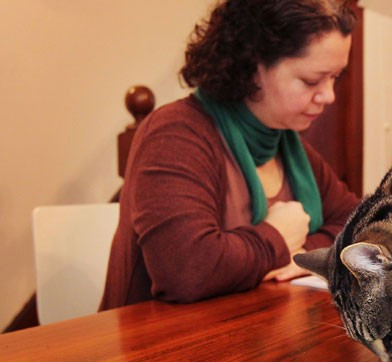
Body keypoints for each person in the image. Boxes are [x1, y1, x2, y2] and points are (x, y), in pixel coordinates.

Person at [100, 0, 360, 310]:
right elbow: (187, 271)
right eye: (311, 81)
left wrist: (301, 254)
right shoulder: (174, 135)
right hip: (159, 347)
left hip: (253, 334)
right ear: (252, 66)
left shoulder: (287, 144)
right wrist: (277, 237)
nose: (328, 95)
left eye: (335, 78)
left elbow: (357, 224)